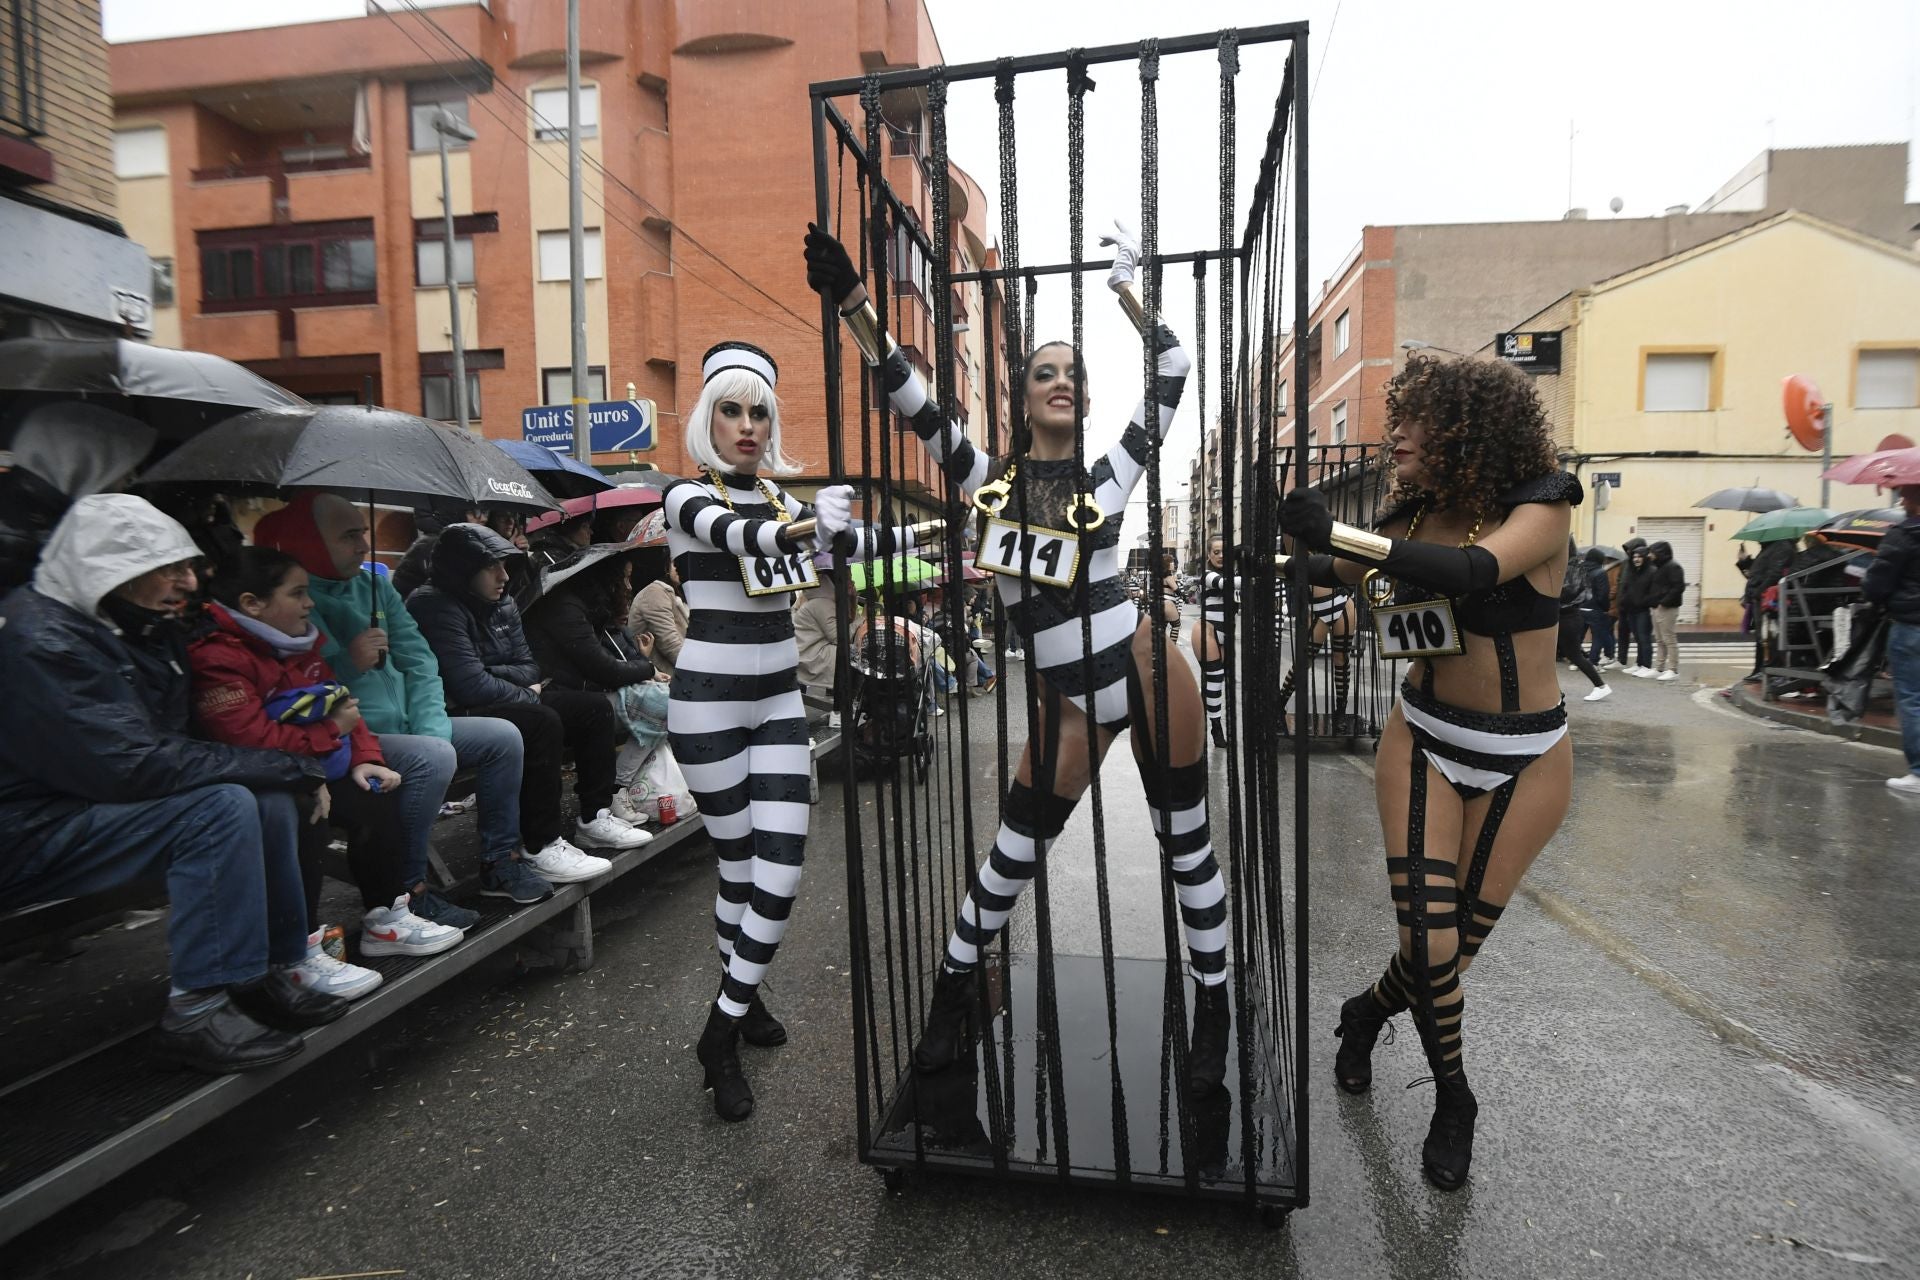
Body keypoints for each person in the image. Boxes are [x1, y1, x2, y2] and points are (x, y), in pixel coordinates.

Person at [807, 219, 1231, 1099]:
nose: (1064, 382)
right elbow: (910, 396)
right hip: (1070, 705)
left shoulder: (1109, 475)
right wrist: (853, 302)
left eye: (1076, 372)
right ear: (1021, 393)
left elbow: (1177, 369)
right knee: (1009, 859)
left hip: (1148, 678)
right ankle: (947, 1005)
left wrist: (1126, 291)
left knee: (1185, 850)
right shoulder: (985, 482)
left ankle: (1214, 1024)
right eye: (1047, 371)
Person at [1278, 352, 1582, 1192]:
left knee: (1447, 956)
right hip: (1423, 738)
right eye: (1396, 416)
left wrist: (1338, 535)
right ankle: (1455, 1097)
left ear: (1467, 430)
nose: (1394, 434)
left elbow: (1473, 572)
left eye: (1414, 420)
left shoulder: (1543, 506)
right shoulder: (1406, 515)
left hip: (1527, 758)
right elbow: (1330, 570)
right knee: (1428, 937)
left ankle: (1364, 1014)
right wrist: (1268, 550)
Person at [0, 495, 348, 1073]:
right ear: (108, 572)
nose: (188, 582)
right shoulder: (44, 642)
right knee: (218, 809)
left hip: (81, 806)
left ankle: (271, 969)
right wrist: (294, 764)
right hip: (29, 827)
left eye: (186, 566)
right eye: (167, 570)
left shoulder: (131, 623)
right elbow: (131, 766)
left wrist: (285, 773)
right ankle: (197, 1009)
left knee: (264, 803)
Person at [662, 337, 917, 1122]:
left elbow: (859, 550)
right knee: (740, 872)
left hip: (777, 705)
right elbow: (748, 539)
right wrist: (814, 528)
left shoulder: (783, 503)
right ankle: (748, 1006)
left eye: (760, 411)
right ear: (709, 416)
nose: (747, 425)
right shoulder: (685, 496)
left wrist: (921, 535)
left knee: (779, 873)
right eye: (732, 409)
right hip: (706, 706)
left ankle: (721, 1028)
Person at [187, 547, 464, 999]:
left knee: (374, 791)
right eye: (296, 593)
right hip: (262, 779)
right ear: (252, 603)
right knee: (301, 813)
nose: (309, 602)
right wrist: (328, 738)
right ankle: (296, 950)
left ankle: (386, 918)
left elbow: (344, 707)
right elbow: (250, 741)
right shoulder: (218, 657)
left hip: (312, 762)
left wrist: (364, 757)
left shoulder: (297, 644)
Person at [255, 494, 542, 914]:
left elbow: (420, 660)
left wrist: (432, 729)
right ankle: (410, 889)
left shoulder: (374, 588)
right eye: (349, 536)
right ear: (311, 540)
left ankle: (499, 862)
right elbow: (306, 687)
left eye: (363, 534)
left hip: (415, 728)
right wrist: (348, 662)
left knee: (503, 737)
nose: (364, 547)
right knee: (433, 757)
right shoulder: (294, 602)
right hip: (360, 739)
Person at [407, 523, 648, 873]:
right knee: (542, 722)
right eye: (492, 566)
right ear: (464, 569)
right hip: (461, 709)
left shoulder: (502, 602)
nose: (503, 576)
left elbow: (528, 666)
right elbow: (467, 684)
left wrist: (506, 678)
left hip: (510, 696)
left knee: (592, 709)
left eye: (505, 565)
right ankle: (541, 843)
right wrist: (518, 686)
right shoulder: (434, 605)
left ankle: (595, 817)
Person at [524, 542, 659, 825]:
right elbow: (605, 669)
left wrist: (643, 668)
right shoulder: (565, 609)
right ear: (605, 580)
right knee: (662, 705)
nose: (628, 585)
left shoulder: (587, 608)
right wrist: (647, 668)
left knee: (664, 699)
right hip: (566, 696)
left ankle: (621, 791)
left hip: (584, 692)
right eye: (623, 577)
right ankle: (616, 789)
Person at [0, 402, 155, 592]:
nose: (131, 478)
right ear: (85, 464)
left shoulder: (43, 517)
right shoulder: (19, 536)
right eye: (122, 469)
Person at [1862, 484, 1920, 795]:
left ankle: (1919, 773)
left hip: (1911, 625)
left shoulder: (1902, 535)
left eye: (1905, 495)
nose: (1900, 500)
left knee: (1912, 699)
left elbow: (1876, 585)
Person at [627, 511, 689, 678]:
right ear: (665, 563)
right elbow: (670, 644)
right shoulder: (655, 593)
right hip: (663, 678)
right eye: (675, 560)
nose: (681, 566)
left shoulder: (684, 592)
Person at [1557, 537, 1611, 701]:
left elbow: (1568, 593)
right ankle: (1550, 691)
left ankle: (1601, 686)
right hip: (1566, 616)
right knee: (1550, 654)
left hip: (1568, 616)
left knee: (1574, 655)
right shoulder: (1571, 566)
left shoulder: (1572, 568)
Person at [1194, 535, 1233, 747]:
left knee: (1213, 682)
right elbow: (1224, 584)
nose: (1220, 556)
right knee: (1216, 678)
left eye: (1224, 552)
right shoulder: (1207, 575)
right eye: (1216, 552)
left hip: (1224, 636)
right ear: (1209, 555)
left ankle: (1194, 714)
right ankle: (1216, 729)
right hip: (1206, 631)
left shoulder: (1233, 574)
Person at [1617, 543, 1658, 675]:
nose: (1636, 559)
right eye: (1634, 556)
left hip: (1643, 611)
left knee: (1644, 638)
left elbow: (1654, 592)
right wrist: (1624, 601)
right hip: (1631, 610)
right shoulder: (1632, 570)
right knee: (1638, 638)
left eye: (1640, 556)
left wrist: (1645, 602)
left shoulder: (1652, 571)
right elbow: (1626, 588)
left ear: (1645, 558)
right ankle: (1639, 664)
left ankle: (1646, 665)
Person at [1648, 540, 1685, 682]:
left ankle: (1673, 669)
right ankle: (1659, 667)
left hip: (1667, 608)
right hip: (1657, 607)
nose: (1650, 555)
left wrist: (1663, 602)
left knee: (1669, 639)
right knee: (1659, 639)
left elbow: (1678, 587)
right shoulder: (1659, 567)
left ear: (1660, 553)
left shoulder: (1673, 567)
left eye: (1652, 552)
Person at [1580, 548, 1616, 668]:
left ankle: (1577, 661)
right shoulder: (1600, 573)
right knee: (1597, 636)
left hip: (1580, 607)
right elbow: (1602, 594)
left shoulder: (1580, 570)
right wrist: (1605, 608)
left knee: (1579, 635)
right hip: (1595, 609)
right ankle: (1593, 661)